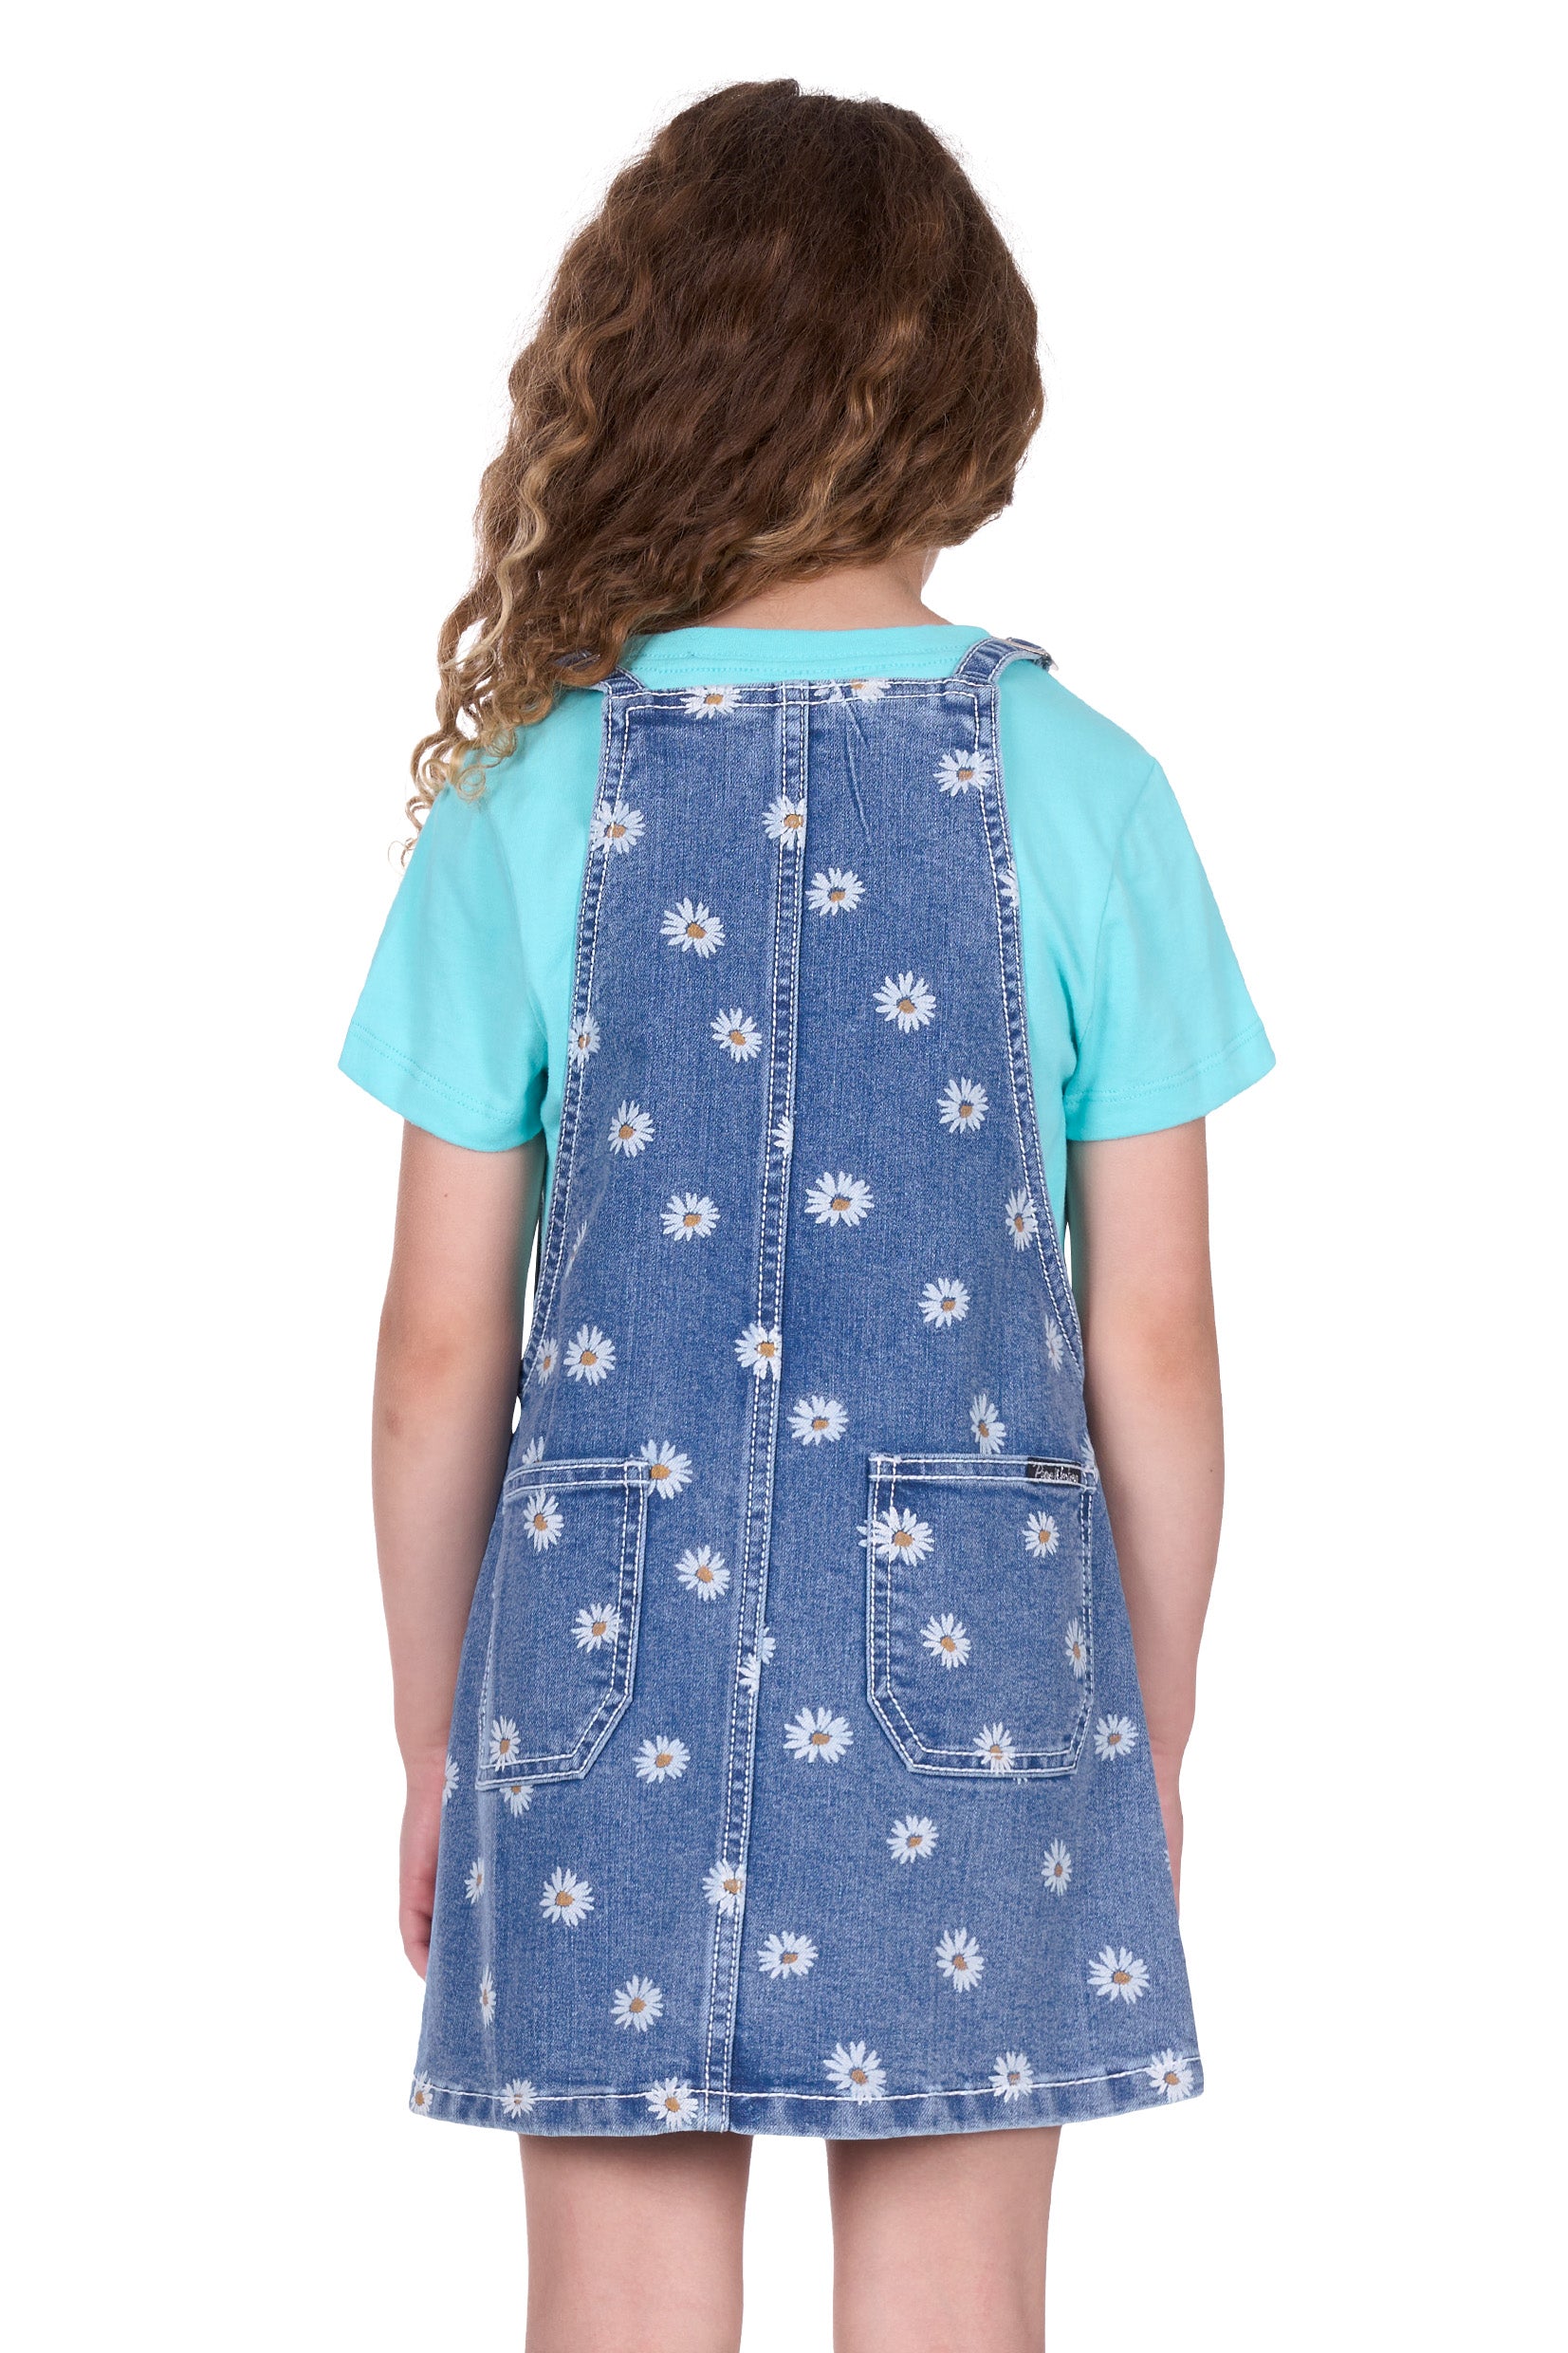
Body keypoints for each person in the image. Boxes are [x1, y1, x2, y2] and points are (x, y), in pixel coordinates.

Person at [341, 79, 1273, 2353]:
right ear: (970, 402)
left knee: (615, 2309)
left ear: (638, 382)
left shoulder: (521, 796)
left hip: (592, 1658)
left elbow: (438, 1353)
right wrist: (1140, 1721)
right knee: (953, 2306)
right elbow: (1151, 1344)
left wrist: (441, 1734)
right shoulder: (1090, 793)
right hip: (983, 1654)